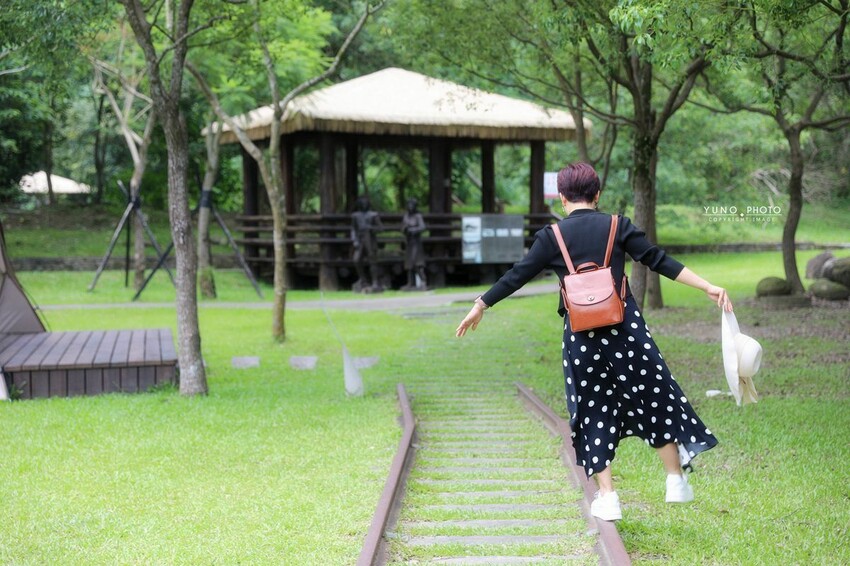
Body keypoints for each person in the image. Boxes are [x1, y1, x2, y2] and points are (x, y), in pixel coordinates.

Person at [455, 162, 732, 522]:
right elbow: (658, 260)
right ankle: (675, 480)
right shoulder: (618, 226)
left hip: (582, 337)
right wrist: (707, 286)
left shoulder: (550, 237)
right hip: (626, 330)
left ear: (563, 196)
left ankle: (608, 496)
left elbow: (517, 276)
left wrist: (481, 304)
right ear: (597, 195)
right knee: (653, 395)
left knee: (593, 408)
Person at [351, 196, 383, 292]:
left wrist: (371, 228)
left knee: (372, 260)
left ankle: (375, 282)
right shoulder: (355, 215)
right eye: (362, 203)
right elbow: (353, 229)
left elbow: (381, 228)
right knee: (356, 259)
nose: (364, 205)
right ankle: (363, 279)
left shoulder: (373, 215)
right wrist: (354, 240)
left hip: (370, 239)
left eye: (366, 203)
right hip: (360, 239)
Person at [401, 198, 428, 290]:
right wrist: (405, 229)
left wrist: (414, 230)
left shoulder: (418, 216)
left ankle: (423, 281)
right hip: (409, 242)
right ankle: (410, 283)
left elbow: (423, 227)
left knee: (417, 262)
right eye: (409, 205)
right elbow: (402, 228)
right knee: (409, 263)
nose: (410, 207)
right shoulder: (406, 216)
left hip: (416, 242)